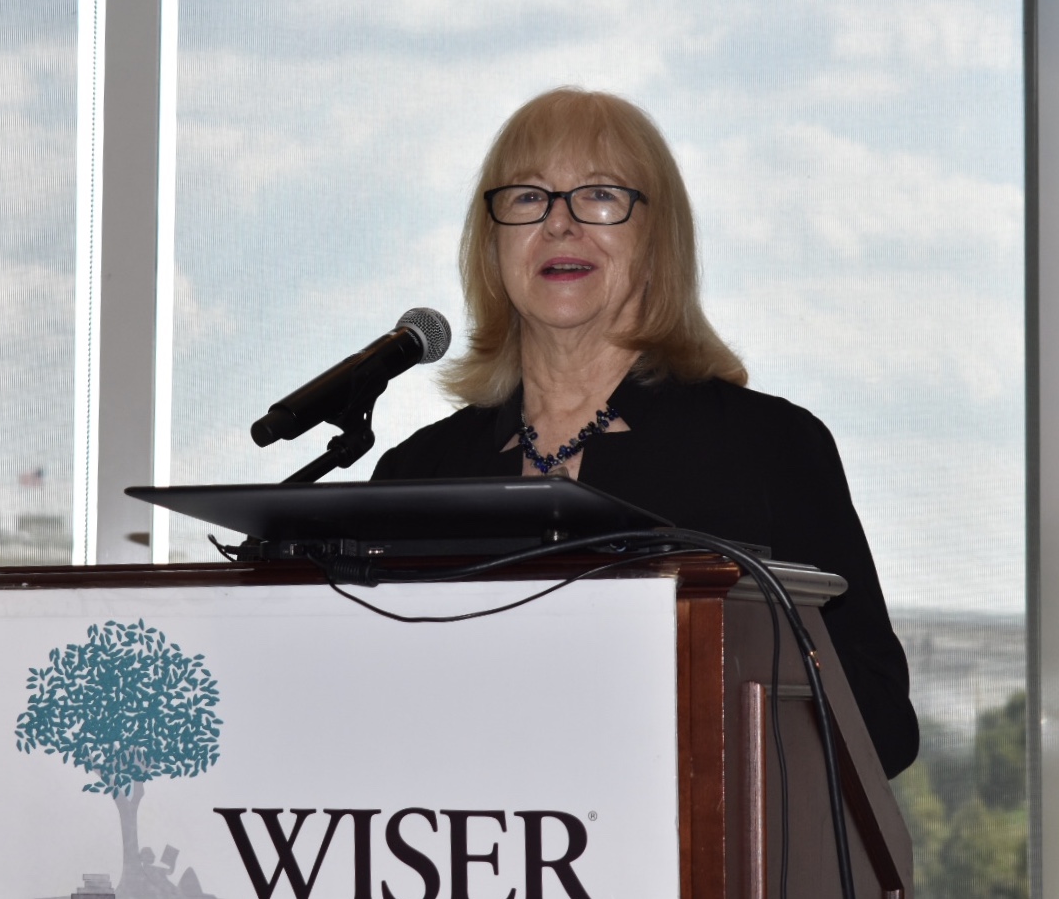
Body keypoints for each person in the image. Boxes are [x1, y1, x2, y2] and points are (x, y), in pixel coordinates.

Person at [371, 87, 918, 778]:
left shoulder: (769, 449)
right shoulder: (418, 475)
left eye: (600, 196)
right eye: (528, 198)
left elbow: (879, 725)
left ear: (658, 243)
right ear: (492, 243)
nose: (561, 225)